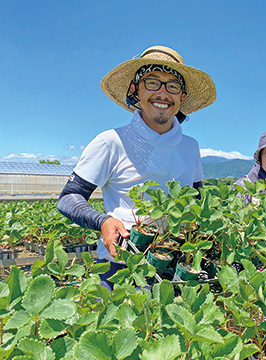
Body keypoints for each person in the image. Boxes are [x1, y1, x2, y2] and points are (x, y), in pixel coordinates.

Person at [58, 45, 216, 288]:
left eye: (172, 86)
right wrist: (103, 222)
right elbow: (69, 197)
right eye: (152, 82)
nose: (162, 94)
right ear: (136, 90)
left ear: (181, 97)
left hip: (177, 270)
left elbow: (197, 201)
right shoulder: (111, 141)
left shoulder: (190, 146)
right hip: (121, 266)